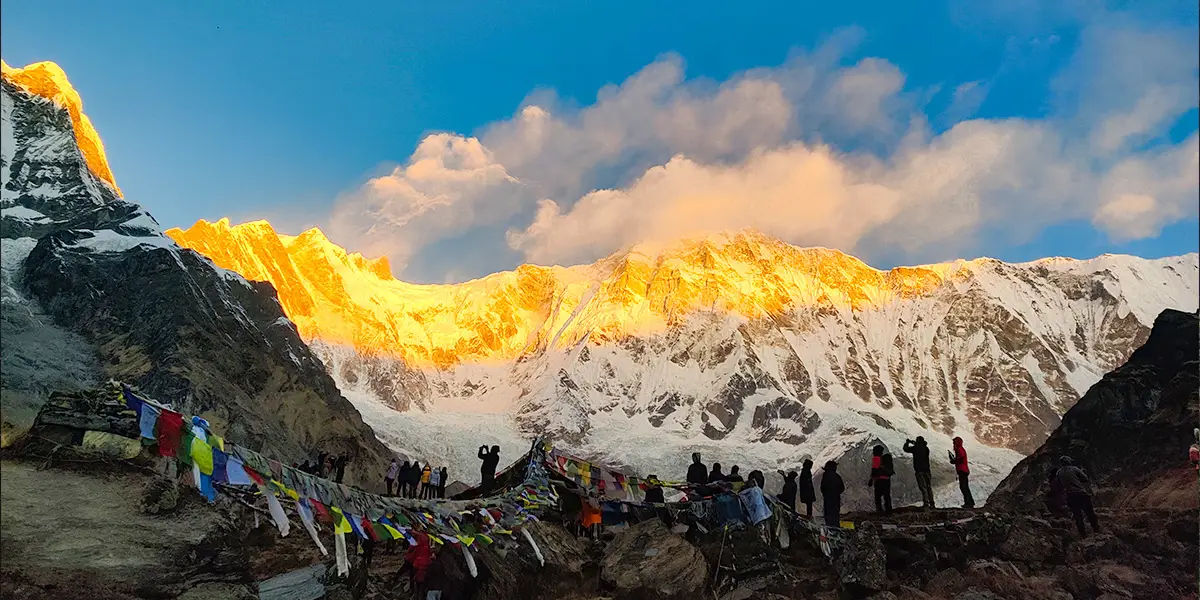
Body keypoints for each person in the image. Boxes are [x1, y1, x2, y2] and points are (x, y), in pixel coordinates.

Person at [1057, 456, 1100, 536]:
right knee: (1089, 512)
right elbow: (1085, 478)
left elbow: (1059, 484)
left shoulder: (1059, 472)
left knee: (1077, 515)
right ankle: (1096, 529)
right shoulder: (1074, 469)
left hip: (1070, 495)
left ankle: (1082, 534)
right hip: (1080, 493)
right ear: (1069, 462)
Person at [903, 436, 935, 509]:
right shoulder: (926, 449)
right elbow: (920, 448)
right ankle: (932, 503)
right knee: (928, 487)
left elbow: (906, 449)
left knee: (923, 487)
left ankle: (926, 503)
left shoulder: (916, 448)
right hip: (927, 470)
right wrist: (915, 443)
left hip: (919, 470)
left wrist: (907, 443)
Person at [948, 437, 974, 508]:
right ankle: (969, 502)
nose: (953, 444)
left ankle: (969, 503)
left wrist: (954, 460)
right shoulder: (960, 449)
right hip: (963, 470)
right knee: (964, 486)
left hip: (962, 470)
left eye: (954, 443)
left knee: (964, 486)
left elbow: (960, 457)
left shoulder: (960, 449)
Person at [868, 445, 894, 514]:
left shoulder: (876, 459)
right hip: (887, 480)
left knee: (878, 497)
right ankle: (888, 510)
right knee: (887, 496)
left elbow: (874, 470)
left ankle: (879, 511)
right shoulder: (886, 459)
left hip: (879, 480)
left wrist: (871, 480)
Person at [820, 461, 844, 528]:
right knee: (835, 513)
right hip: (836, 498)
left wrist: (826, 494)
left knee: (828, 513)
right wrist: (836, 493)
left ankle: (829, 528)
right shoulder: (837, 476)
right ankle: (835, 528)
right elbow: (842, 487)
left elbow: (822, 488)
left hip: (828, 498)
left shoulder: (825, 476)